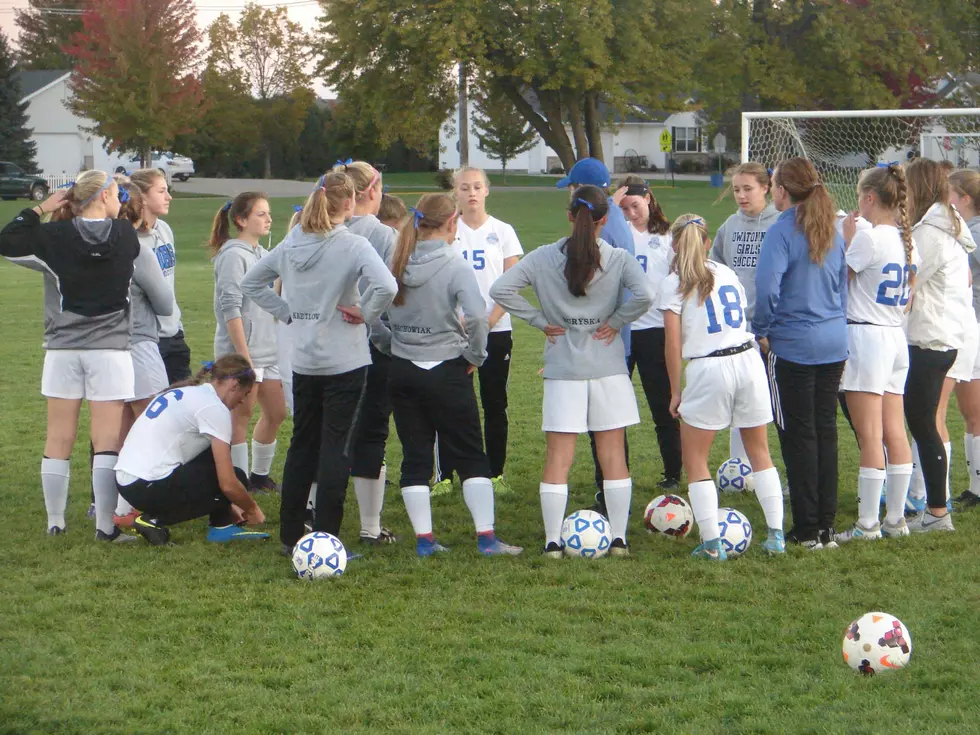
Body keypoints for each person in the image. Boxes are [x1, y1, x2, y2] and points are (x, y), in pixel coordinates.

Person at [240, 171, 398, 556]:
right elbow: (388, 287)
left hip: (305, 361)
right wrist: (366, 313)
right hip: (345, 361)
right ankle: (327, 536)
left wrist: (287, 313)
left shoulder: (292, 244)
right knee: (336, 449)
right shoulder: (354, 245)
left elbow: (251, 284)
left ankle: (291, 534)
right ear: (349, 203)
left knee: (301, 446)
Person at [490, 185, 653, 557]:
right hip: (608, 368)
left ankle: (551, 542)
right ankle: (619, 540)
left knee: (557, 458)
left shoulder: (543, 257)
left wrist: (539, 320)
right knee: (613, 455)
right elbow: (646, 295)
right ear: (604, 220)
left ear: (569, 216)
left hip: (563, 369)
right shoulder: (619, 258)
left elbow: (501, 289)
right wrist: (616, 320)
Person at [378, 193, 522, 557]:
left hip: (404, 369)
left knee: (415, 458)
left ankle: (425, 542)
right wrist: (475, 354)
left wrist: (390, 345)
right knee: (472, 455)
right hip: (447, 370)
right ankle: (486, 539)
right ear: (452, 223)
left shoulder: (395, 259)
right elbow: (476, 317)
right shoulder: (456, 264)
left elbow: (371, 315)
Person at [0, 171, 139, 542]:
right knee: (107, 440)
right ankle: (105, 527)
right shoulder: (126, 235)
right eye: (116, 193)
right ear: (107, 194)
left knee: (58, 437)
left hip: (63, 350)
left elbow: (7, 240)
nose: (121, 199)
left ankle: (55, 522)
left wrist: (44, 207)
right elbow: (133, 215)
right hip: (110, 351)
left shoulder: (54, 236)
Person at [661, 214, 786, 559]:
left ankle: (713, 544)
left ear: (674, 244)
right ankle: (776, 535)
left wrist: (675, 391)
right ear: (706, 241)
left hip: (708, 367)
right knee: (760, 452)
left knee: (696, 459)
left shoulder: (672, 283)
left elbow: (672, 345)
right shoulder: (726, 272)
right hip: (748, 360)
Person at [753, 157, 848, 550]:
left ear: (782, 190)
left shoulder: (781, 231)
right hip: (833, 340)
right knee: (825, 430)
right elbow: (842, 288)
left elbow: (766, 289)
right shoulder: (832, 230)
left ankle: (808, 528)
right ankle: (825, 526)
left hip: (793, 343)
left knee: (798, 434)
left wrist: (761, 330)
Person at [834, 164, 918, 542]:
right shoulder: (905, 238)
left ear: (869, 198)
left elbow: (838, 280)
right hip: (895, 337)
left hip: (866, 337)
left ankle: (868, 524)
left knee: (870, 435)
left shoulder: (870, 237)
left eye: (859, 198)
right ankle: (895, 520)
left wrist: (848, 240)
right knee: (894, 432)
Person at [433, 166, 523, 496]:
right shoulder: (446, 231)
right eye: (464, 187)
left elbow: (512, 285)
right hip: (452, 331)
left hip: (495, 330)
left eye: (477, 187)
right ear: (454, 193)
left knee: (494, 403)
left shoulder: (503, 231)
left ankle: (494, 472)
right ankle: (444, 474)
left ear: (486, 191)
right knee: (451, 403)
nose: (471, 193)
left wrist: (488, 321)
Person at [115, 355, 269, 545]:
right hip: (145, 485)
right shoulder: (214, 408)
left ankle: (222, 525)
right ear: (234, 385)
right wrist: (251, 509)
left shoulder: (191, 391)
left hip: (128, 480)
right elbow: (228, 483)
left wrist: (227, 504)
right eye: (245, 394)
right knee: (235, 478)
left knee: (218, 461)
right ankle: (152, 521)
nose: (242, 402)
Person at [555, 158, 637, 509]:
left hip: (603, 340)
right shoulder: (613, 218)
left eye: (572, 186)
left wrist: (612, 324)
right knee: (607, 424)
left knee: (606, 426)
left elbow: (629, 290)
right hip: (609, 337)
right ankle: (608, 490)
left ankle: (609, 495)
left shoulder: (608, 227)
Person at [901, 158, 975, 533]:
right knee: (924, 420)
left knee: (924, 421)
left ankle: (936, 510)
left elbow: (907, 286)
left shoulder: (930, 233)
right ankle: (933, 508)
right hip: (942, 335)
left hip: (932, 338)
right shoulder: (943, 226)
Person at [332, 160, 399, 544]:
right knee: (371, 433)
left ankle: (312, 513)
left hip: (321, 347)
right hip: (369, 348)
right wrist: (381, 331)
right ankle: (370, 526)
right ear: (372, 192)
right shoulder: (381, 234)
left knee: (325, 432)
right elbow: (389, 291)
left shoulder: (312, 227)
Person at [209, 192, 287, 493]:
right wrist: (243, 359)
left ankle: (259, 476)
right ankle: (239, 483)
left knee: (277, 412)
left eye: (268, 213)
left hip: (268, 351)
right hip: (244, 354)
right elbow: (230, 308)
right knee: (240, 416)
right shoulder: (233, 255)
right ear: (241, 220)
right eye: (261, 214)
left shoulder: (258, 253)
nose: (268, 219)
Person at [109, 175, 175, 527]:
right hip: (141, 343)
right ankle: (134, 507)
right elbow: (164, 304)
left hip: (107, 346)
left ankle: (112, 509)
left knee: (118, 431)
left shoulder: (101, 247)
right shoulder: (137, 249)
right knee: (150, 428)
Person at [710, 163, 780, 464]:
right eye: (736, 189)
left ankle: (779, 467)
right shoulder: (729, 226)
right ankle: (740, 468)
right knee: (740, 399)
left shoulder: (780, 223)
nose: (741, 195)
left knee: (778, 404)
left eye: (747, 188)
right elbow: (714, 270)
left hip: (774, 329)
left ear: (766, 187)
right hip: (738, 330)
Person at [615, 174, 682, 489]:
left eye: (636, 206)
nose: (631, 214)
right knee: (613, 408)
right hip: (622, 332)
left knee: (663, 406)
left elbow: (681, 281)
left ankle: (672, 473)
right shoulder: (617, 233)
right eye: (624, 208)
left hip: (656, 331)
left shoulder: (668, 237)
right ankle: (617, 472)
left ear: (650, 199)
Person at [129, 169, 190, 383]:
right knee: (147, 410)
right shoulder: (129, 239)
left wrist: (177, 325)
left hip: (174, 333)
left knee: (182, 404)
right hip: (146, 339)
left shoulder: (164, 229)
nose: (169, 197)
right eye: (161, 191)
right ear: (142, 197)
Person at [949, 169, 980, 507]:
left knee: (974, 413)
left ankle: (977, 488)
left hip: (974, 325)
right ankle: (974, 487)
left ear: (965, 199)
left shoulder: (973, 233)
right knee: (971, 411)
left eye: (950, 195)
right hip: (970, 326)